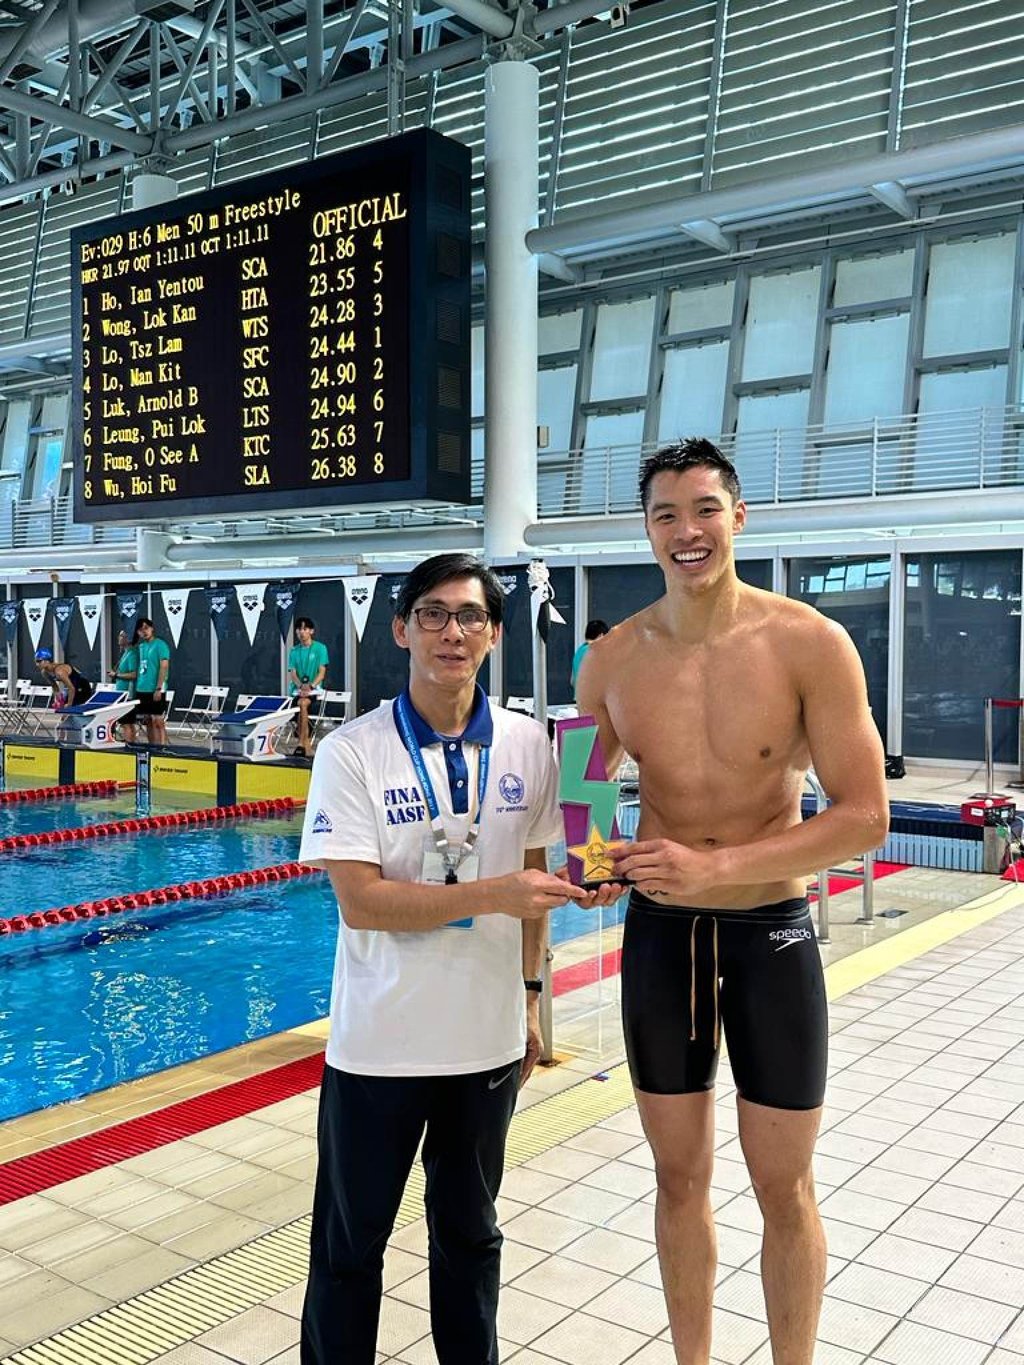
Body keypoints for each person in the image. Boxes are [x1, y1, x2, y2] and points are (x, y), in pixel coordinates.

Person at [577, 438, 888, 1365]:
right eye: (666, 514)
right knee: (678, 1177)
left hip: (771, 938)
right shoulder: (610, 659)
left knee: (783, 1186)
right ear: (647, 531)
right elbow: (583, 799)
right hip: (662, 939)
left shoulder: (810, 643)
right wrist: (594, 861)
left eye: (705, 509)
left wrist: (720, 870)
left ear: (738, 517)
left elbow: (866, 815)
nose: (688, 530)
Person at [298, 552, 603, 1365]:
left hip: (485, 1047)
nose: (452, 632)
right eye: (432, 613)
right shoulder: (352, 751)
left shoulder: (533, 744)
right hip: (377, 1048)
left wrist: (534, 994)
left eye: (470, 615)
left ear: (495, 633)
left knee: (471, 1241)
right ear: (401, 629)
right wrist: (497, 893)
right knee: (349, 1250)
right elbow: (362, 902)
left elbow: (557, 866)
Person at [287, 616, 329, 757]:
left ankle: (301, 743)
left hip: (314, 690)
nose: (301, 632)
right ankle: (306, 745)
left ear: (311, 631)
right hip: (297, 691)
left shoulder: (320, 648)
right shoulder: (294, 651)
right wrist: (301, 687)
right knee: (301, 703)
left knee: (303, 703)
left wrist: (310, 686)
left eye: (305, 629)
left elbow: (321, 673)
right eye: (299, 629)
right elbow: (293, 674)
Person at [133, 618, 170, 745]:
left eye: (146, 628)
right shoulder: (141, 647)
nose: (144, 631)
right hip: (142, 687)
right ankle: (152, 746)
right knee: (148, 719)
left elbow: (164, 667)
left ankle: (161, 747)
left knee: (158, 720)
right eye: (140, 629)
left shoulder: (160, 645)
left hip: (155, 688)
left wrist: (158, 688)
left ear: (152, 628)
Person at [109, 628, 138, 743]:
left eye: (121, 635)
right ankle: (130, 744)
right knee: (126, 722)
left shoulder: (132, 653)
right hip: (122, 693)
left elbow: (134, 674)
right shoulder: (126, 652)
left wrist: (116, 675)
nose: (118, 638)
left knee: (126, 723)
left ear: (128, 638)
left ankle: (129, 746)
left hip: (128, 694)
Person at [570, 618, 609, 697]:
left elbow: (572, 681)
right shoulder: (595, 651)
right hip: (593, 700)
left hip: (579, 699)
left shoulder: (579, 651)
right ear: (601, 635)